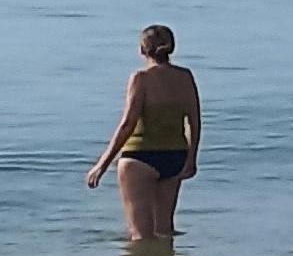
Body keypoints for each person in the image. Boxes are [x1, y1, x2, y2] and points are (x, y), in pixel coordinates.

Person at [87, 24, 206, 244]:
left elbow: (128, 124)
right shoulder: (185, 77)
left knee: (140, 236)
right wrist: (191, 159)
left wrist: (102, 165)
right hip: (174, 157)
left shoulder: (140, 78)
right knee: (165, 231)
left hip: (139, 158)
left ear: (142, 50)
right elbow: (195, 121)